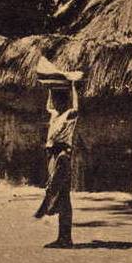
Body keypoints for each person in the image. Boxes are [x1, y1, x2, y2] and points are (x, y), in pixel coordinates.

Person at [34, 79, 80, 248]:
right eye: (54, 99)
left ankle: (47, 202)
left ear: (64, 100)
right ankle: (64, 238)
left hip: (62, 153)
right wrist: (49, 89)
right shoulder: (54, 115)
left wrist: (73, 87)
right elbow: (48, 107)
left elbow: (76, 107)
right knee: (64, 197)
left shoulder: (69, 115)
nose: (55, 102)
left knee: (56, 185)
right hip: (52, 154)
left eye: (58, 99)